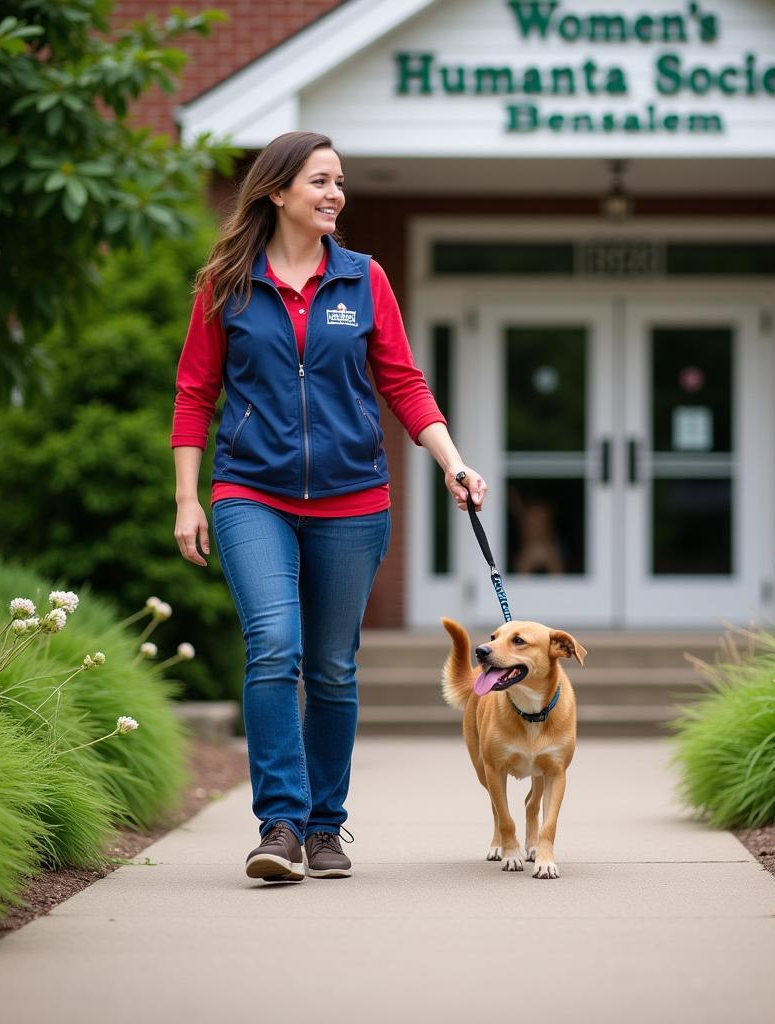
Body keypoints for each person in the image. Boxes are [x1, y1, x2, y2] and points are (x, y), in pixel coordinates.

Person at [171, 131, 486, 882]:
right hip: (252, 492)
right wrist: (188, 498)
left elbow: (404, 383)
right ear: (278, 191)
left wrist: (453, 461)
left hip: (352, 498)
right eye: (319, 181)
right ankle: (278, 824)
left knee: (334, 668)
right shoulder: (228, 284)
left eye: (339, 182)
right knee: (275, 646)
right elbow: (194, 393)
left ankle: (325, 828)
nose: (335, 194)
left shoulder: (363, 279)